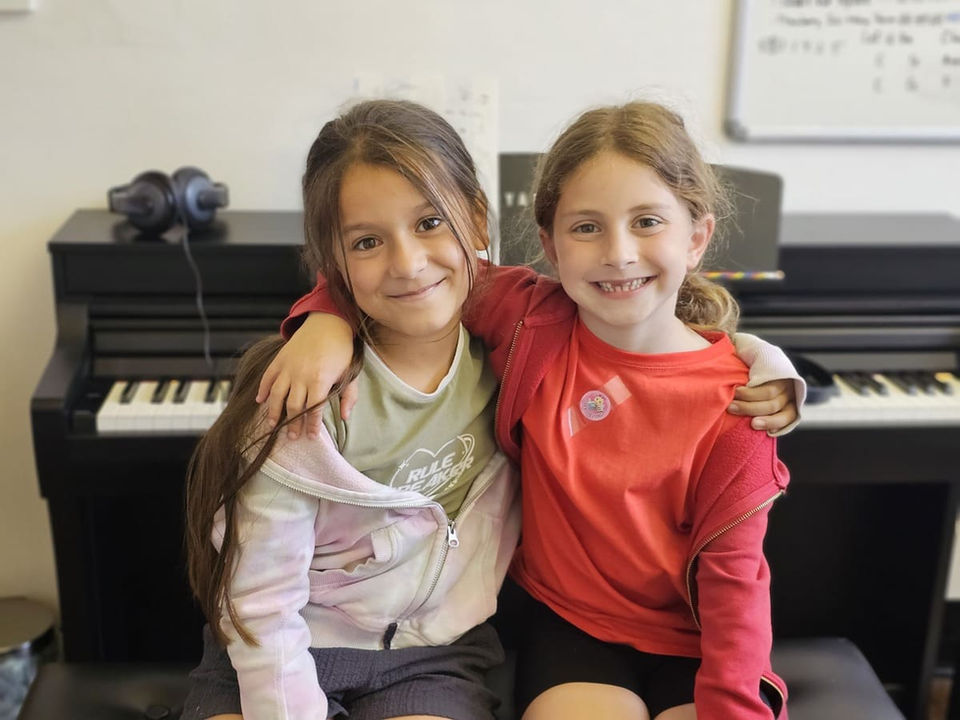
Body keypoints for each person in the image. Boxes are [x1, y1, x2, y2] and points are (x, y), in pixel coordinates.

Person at [262, 101, 800, 719]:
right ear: (549, 243)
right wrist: (324, 321)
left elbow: (737, 586)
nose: (618, 253)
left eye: (647, 221)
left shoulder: (741, 405)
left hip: (698, 644)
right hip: (569, 627)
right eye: (586, 227)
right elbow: (415, 272)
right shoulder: (528, 318)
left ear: (697, 237)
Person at [184, 99, 521, 720]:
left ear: (475, 219)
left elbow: (637, 323)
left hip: (430, 651)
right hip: (275, 643)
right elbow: (260, 598)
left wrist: (760, 363)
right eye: (368, 241)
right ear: (332, 263)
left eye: (428, 223)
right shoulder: (310, 394)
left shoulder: (517, 348)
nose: (408, 263)